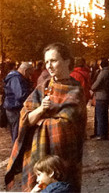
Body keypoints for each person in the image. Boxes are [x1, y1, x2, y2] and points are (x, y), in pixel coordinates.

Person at [5, 42, 87, 192]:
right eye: (47, 61)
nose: (49, 65)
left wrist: (39, 121)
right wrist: (41, 110)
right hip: (37, 155)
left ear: (67, 61)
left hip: (63, 158)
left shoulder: (75, 90)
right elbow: (25, 118)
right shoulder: (43, 86)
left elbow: (67, 126)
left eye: (54, 60)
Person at [3, 61, 33, 142]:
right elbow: (21, 95)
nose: (30, 77)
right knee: (17, 136)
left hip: (12, 108)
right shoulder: (16, 78)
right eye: (29, 74)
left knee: (16, 134)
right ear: (25, 70)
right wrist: (32, 94)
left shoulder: (15, 77)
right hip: (14, 109)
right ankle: (16, 153)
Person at [90, 58, 109, 140]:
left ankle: (100, 134)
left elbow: (97, 84)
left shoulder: (103, 73)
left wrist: (92, 88)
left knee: (100, 116)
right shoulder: (108, 72)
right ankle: (102, 133)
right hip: (105, 96)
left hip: (101, 96)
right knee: (103, 115)